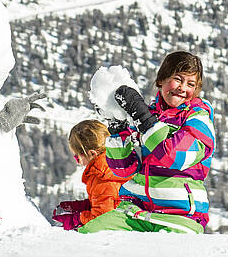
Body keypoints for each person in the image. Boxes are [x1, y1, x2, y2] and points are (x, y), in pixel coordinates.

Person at [80, 51, 215, 234]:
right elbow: (123, 168)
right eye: (177, 79)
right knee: (89, 235)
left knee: (165, 256)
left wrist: (144, 118)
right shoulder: (146, 116)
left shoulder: (198, 118)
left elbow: (174, 157)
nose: (182, 88)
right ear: (161, 80)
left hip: (179, 217)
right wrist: (118, 128)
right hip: (135, 213)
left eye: (190, 84)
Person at [51, 120, 127, 230]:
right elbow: (107, 202)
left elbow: (102, 219)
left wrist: (76, 220)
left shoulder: (101, 177)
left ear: (92, 153)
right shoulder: (115, 165)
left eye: (77, 157)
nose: (77, 162)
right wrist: (80, 207)